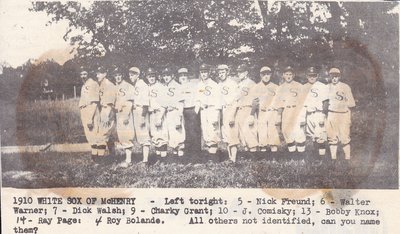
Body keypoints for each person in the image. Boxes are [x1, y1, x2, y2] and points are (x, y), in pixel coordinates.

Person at [326, 67, 356, 160]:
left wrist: (348, 116)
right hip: (331, 114)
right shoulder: (327, 87)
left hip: (343, 114)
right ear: (329, 76)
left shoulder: (345, 87)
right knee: (332, 138)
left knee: (344, 138)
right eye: (332, 76)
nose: (334, 78)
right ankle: (333, 159)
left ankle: (347, 159)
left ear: (339, 77)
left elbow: (351, 104)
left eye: (336, 76)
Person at [250, 66, 280, 153]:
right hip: (262, 112)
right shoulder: (256, 87)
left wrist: (278, 115)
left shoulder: (276, 87)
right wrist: (252, 115)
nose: (266, 76)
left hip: (272, 112)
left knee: (273, 133)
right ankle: (264, 157)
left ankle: (274, 156)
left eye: (268, 74)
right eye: (264, 74)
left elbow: (279, 102)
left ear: (270, 75)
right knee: (262, 133)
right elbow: (254, 102)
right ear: (260, 75)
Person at [276, 66, 306, 153]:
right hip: (286, 111)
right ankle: (292, 155)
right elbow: (279, 104)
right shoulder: (280, 88)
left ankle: (301, 155)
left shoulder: (299, 86)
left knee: (299, 133)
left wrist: (303, 116)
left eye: (290, 74)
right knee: (287, 133)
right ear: (283, 75)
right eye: (286, 74)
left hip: (296, 110)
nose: (288, 76)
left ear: (293, 75)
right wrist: (279, 116)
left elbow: (303, 102)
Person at [194, 64, 221, 155]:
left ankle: (214, 156)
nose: (204, 74)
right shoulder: (199, 85)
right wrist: (196, 112)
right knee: (205, 132)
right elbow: (197, 98)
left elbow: (218, 100)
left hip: (212, 109)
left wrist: (216, 116)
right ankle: (210, 155)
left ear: (209, 72)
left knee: (213, 131)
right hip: (203, 110)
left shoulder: (214, 84)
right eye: (202, 72)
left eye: (205, 72)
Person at [302, 67, 329, 156]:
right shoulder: (304, 87)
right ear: (307, 76)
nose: (312, 77)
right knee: (313, 136)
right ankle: (316, 156)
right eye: (310, 76)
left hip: (318, 113)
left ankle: (322, 157)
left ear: (317, 76)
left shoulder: (322, 86)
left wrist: (323, 115)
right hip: (309, 114)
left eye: (314, 75)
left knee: (320, 136)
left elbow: (326, 102)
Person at [217, 64, 240, 163]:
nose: (221, 74)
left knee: (232, 135)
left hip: (230, 109)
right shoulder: (218, 85)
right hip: (222, 110)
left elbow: (236, 101)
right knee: (226, 135)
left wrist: (232, 116)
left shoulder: (232, 84)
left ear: (227, 72)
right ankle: (229, 157)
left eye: (223, 72)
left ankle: (234, 159)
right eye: (219, 72)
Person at [129, 66, 151, 166]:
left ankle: (145, 161)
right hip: (135, 110)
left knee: (144, 134)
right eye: (130, 75)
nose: (131, 76)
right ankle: (143, 159)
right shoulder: (135, 85)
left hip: (141, 110)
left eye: (133, 74)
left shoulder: (142, 85)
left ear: (138, 75)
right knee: (140, 135)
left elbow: (146, 103)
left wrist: (143, 117)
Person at [114, 67, 135, 167]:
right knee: (122, 136)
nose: (117, 77)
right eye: (116, 75)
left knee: (127, 136)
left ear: (122, 75)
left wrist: (126, 115)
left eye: (119, 75)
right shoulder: (115, 86)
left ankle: (128, 160)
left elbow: (130, 102)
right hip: (118, 114)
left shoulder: (128, 86)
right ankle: (126, 159)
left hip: (125, 113)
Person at [178, 67, 202, 156]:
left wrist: (196, 111)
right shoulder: (178, 87)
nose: (183, 77)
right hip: (182, 111)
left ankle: (196, 154)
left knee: (194, 132)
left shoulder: (193, 86)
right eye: (181, 75)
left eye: (185, 75)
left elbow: (199, 97)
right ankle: (187, 153)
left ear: (188, 76)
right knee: (185, 132)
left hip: (191, 110)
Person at [162, 67, 185, 156]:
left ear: (172, 76)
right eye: (164, 75)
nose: (166, 77)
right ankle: (175, 156)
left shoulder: (177, 86)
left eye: (168, 75)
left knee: (179, 134)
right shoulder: (165, 87)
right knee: (172, 135)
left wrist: (179, 116)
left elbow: (180, 102)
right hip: (169, 113)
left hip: (176, 112)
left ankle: (181, 158)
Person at [95, 65, 117, 158]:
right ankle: (113, 157)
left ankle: (100, 159)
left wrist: (106, 116)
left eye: (99, 73)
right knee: (109, 136)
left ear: (105, 74)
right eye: (97, 73)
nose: (97, 76)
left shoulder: (109, 85)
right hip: (103, 110)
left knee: (102, 135)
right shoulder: (102, 84)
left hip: (107, 110)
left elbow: (110, 103)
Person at [236, 64, 258, 153]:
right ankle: (247, 156)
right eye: (238, 72)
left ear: (246, 72)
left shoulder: (251, 83)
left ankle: (255, 157)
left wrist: (252, 114)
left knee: (250, 133)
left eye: (241, 72)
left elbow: (256, 100)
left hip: (248, 109)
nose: (239, 74)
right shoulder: (239, 84)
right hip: (240, 110)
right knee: (243, 135)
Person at [147, 67, 168, 158]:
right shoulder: (147, 87)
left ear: (155, 77)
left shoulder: (160, 87)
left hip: (159, 112)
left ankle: (164, 159)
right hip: (151, 113)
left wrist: (160, 117)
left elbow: (164, 104)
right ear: (147, 77)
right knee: (154, 135)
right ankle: (158, 158)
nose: (151, 78)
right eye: (149, 76)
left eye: (153, 76)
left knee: (161, 135)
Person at [78, 69, 100, 157]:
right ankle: (94, 154)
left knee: (94, 133)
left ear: (89, 74)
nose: (83, 76)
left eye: (85, 74)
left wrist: (90, 117)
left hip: (91, 110)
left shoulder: (93, 84)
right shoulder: (84, 86)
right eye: (81, 74)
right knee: (89, 134)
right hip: (85, 110)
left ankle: (98, 156)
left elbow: (94, 102)